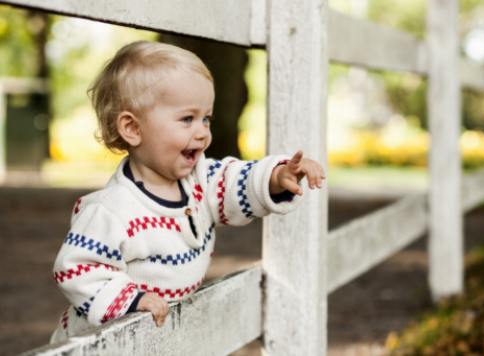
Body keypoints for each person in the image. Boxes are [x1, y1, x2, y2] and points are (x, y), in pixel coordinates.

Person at [50, 40, 325, 342]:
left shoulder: (200, 180)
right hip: (100, 342)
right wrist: (132, 298)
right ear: (133, 128)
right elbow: (76, 268)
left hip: (158, 334)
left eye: (206, 118)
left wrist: (275, 177)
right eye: (187, 119)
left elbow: (234, 181)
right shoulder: (111, 210)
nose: (202, 131)